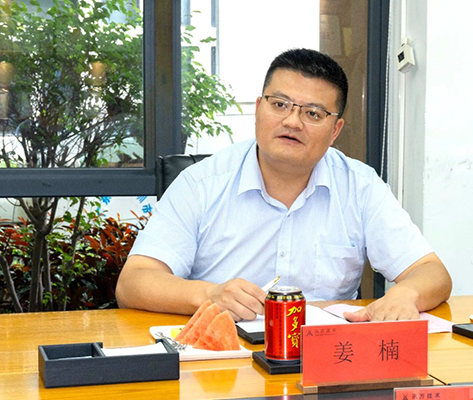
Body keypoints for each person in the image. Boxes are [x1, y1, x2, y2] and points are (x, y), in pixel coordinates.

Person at [115, 48, 452, 322]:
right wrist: (209, 294)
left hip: (324, 359)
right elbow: (133, 282)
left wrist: (404, 294)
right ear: (258, 109)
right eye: (279, 105)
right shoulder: (201, 183)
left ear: (335, 131)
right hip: (223, 357)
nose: (292, 121)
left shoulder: (360, 186)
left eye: (313, 113)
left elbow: (431, 272)